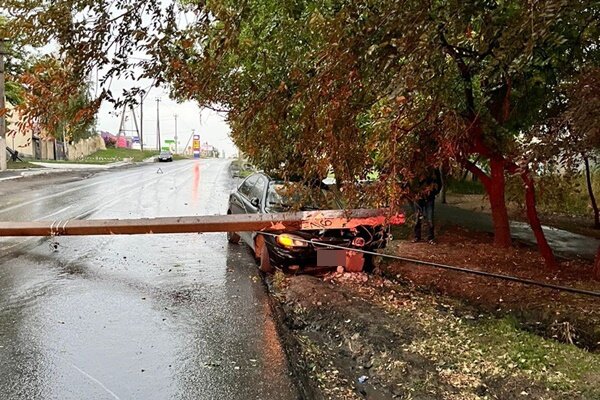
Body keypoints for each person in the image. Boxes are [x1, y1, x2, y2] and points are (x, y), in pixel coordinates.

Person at [413, 168, 442, 244]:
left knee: (430, 219)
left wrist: (433, 192)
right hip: (418, 198)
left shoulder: (434, 170)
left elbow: (439, 183)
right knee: (417, 218)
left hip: (429, 198)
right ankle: (417, 236)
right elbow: (412, 183)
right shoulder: (417, 167)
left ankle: (430, 238)